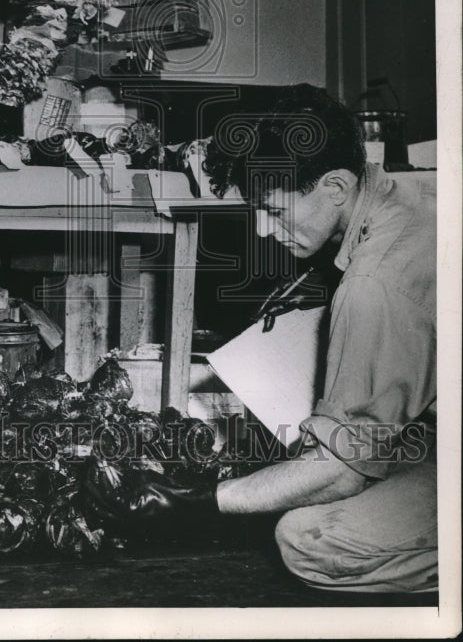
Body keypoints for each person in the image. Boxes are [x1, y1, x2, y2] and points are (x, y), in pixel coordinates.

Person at [87, 84, 437, 594]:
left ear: (336, 186)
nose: (263, 231)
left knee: (309, 540)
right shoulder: (411, 196)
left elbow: (343, 471)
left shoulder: (374, 284)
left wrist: (207, 500)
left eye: (273, 210)